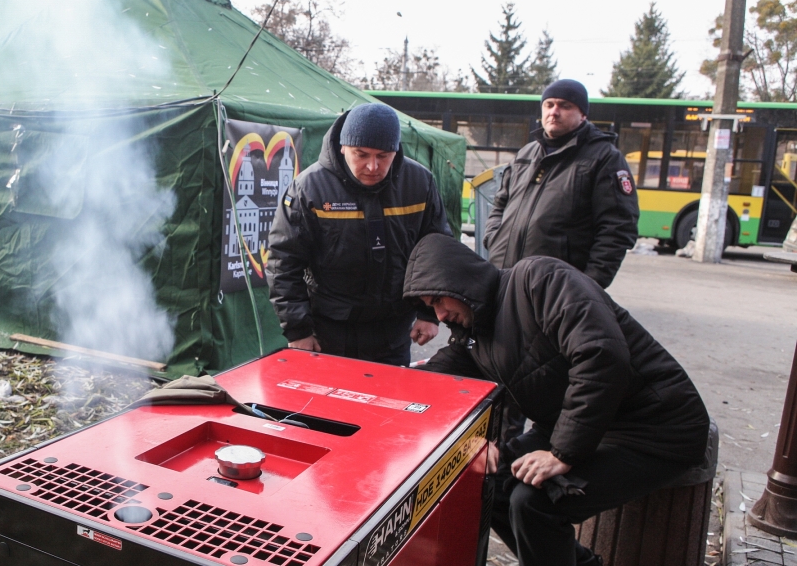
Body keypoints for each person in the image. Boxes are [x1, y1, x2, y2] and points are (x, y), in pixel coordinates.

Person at [403, 233, 710, 566]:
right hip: (583, 425)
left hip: (655, 427)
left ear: (458, 282)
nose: (441, 314)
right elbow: (440, 382)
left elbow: (601, 355)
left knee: (533, 502)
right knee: (485, 482)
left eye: (439, 300)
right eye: (431, 307)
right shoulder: (476, 331)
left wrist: (562, 453)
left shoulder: (539, 279)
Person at [266, 103, 451, 365]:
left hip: (394, 332)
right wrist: (298, 331)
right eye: (361, 154)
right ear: (343, 147)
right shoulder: (309, 188)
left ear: (396, 150)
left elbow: (438, 251)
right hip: (329, 331)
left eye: (383, 156)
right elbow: (283, 263)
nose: (373, 166)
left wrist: (430, 313)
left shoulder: (420, 183)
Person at [485, 79, 639, 289]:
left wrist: (591, 283)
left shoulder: (604, 158)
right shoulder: (526, 153)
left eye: (565, 106)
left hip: (557, 289)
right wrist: (493, 238)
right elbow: (500, 203)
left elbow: (618, 228)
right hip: (504, 278)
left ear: (583, 114)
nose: (554, 112)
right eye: (549, 105)